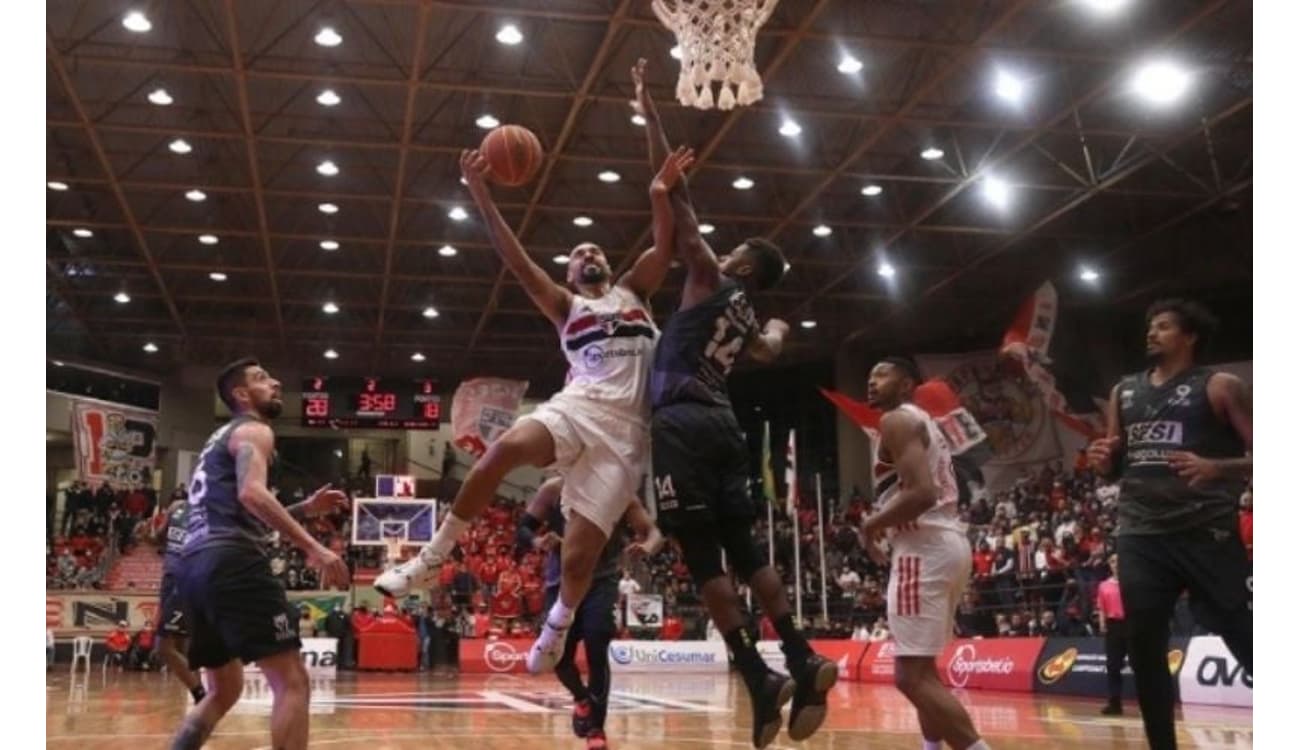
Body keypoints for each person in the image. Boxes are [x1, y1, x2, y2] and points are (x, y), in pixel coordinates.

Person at [375, 95, 689, 680]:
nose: (588, 254)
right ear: (568, 274)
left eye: (595, 249)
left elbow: (666, 247)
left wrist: (658, 195)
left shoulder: (635, 293)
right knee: (507, 448)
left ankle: (559, 623)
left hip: (626, 435)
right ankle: (431, 556)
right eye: (577, 254)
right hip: (577, 407)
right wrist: (480, 193)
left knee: (579, 559)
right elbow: (518, 263)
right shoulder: (565, 305)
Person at [632, 58, 835, 749]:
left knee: (704, 560)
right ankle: (803, 655)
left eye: (737, 246)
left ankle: (756, 673)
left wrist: (650, 116)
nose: (725, 246)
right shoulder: (751, 319)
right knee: (749, 549)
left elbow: (677, 198)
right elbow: (773, 347)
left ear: (742, 263)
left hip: (684, 422)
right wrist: (777, 324)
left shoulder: (711, 277)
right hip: (725, 422)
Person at [1088, 299, 1252, 750]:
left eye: (1163, 326)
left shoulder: (1220, 387)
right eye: (1149, 326)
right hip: (1140, 532)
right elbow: (1115, 465)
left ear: (1190, 336)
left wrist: (1218, 467)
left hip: (1206, 531)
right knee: (1144, 648)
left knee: (1243, 632)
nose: (1152, 333)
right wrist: (1104, 462)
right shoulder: (1124, 392)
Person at [168, 358, 351, 750]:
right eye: (261, 378)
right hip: (232, 560)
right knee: (292, 681)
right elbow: (251, 494)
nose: (276, 382)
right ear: (241, 393)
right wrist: (314, 547)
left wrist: (302, 510)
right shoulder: (255, 429)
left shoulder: (218, 439)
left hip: (193, 565)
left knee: (223, 690)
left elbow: (237, 507)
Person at [858, 357, 992, 750]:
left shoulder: (897, 420)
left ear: (906, 385)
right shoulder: (917, 421)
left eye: (882, 374)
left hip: (923, 547)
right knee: (923, 670)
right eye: (869, 374)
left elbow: (922, 494)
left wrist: (871, 524)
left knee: (909, 676)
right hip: (945, 543)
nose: (871, 381)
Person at [517, 477, 663, 750]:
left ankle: (597, 728)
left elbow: (653, 532)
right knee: (557, 656)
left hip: (602, 581)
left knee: (598, 646)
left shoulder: (621, 492)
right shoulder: (553, 489)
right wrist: (538, 541)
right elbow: (523, 530)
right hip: (560, 582)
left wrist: (647, 547)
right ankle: (581, 698)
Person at [151, 496, 207, 703]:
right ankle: (200, 696)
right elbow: (159, 539)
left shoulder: (213, 512)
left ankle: (200, 695)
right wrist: (147, 535)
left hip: (185, 580)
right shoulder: (177, 507)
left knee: (164, 647)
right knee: (181, 647)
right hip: (169, 579)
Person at [1096, 553, 1127, 715]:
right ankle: (1115, 703)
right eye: (1113, 561)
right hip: (1113, 626)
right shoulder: (1103, 586)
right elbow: (1102, 607)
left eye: (1118, 561)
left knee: (1141, 665)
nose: (1116, 564)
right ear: (1109, 565)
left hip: (1131, 623)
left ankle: (1148, 702)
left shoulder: (1130, 582)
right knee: (1113, 665)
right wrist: (1102, 623)